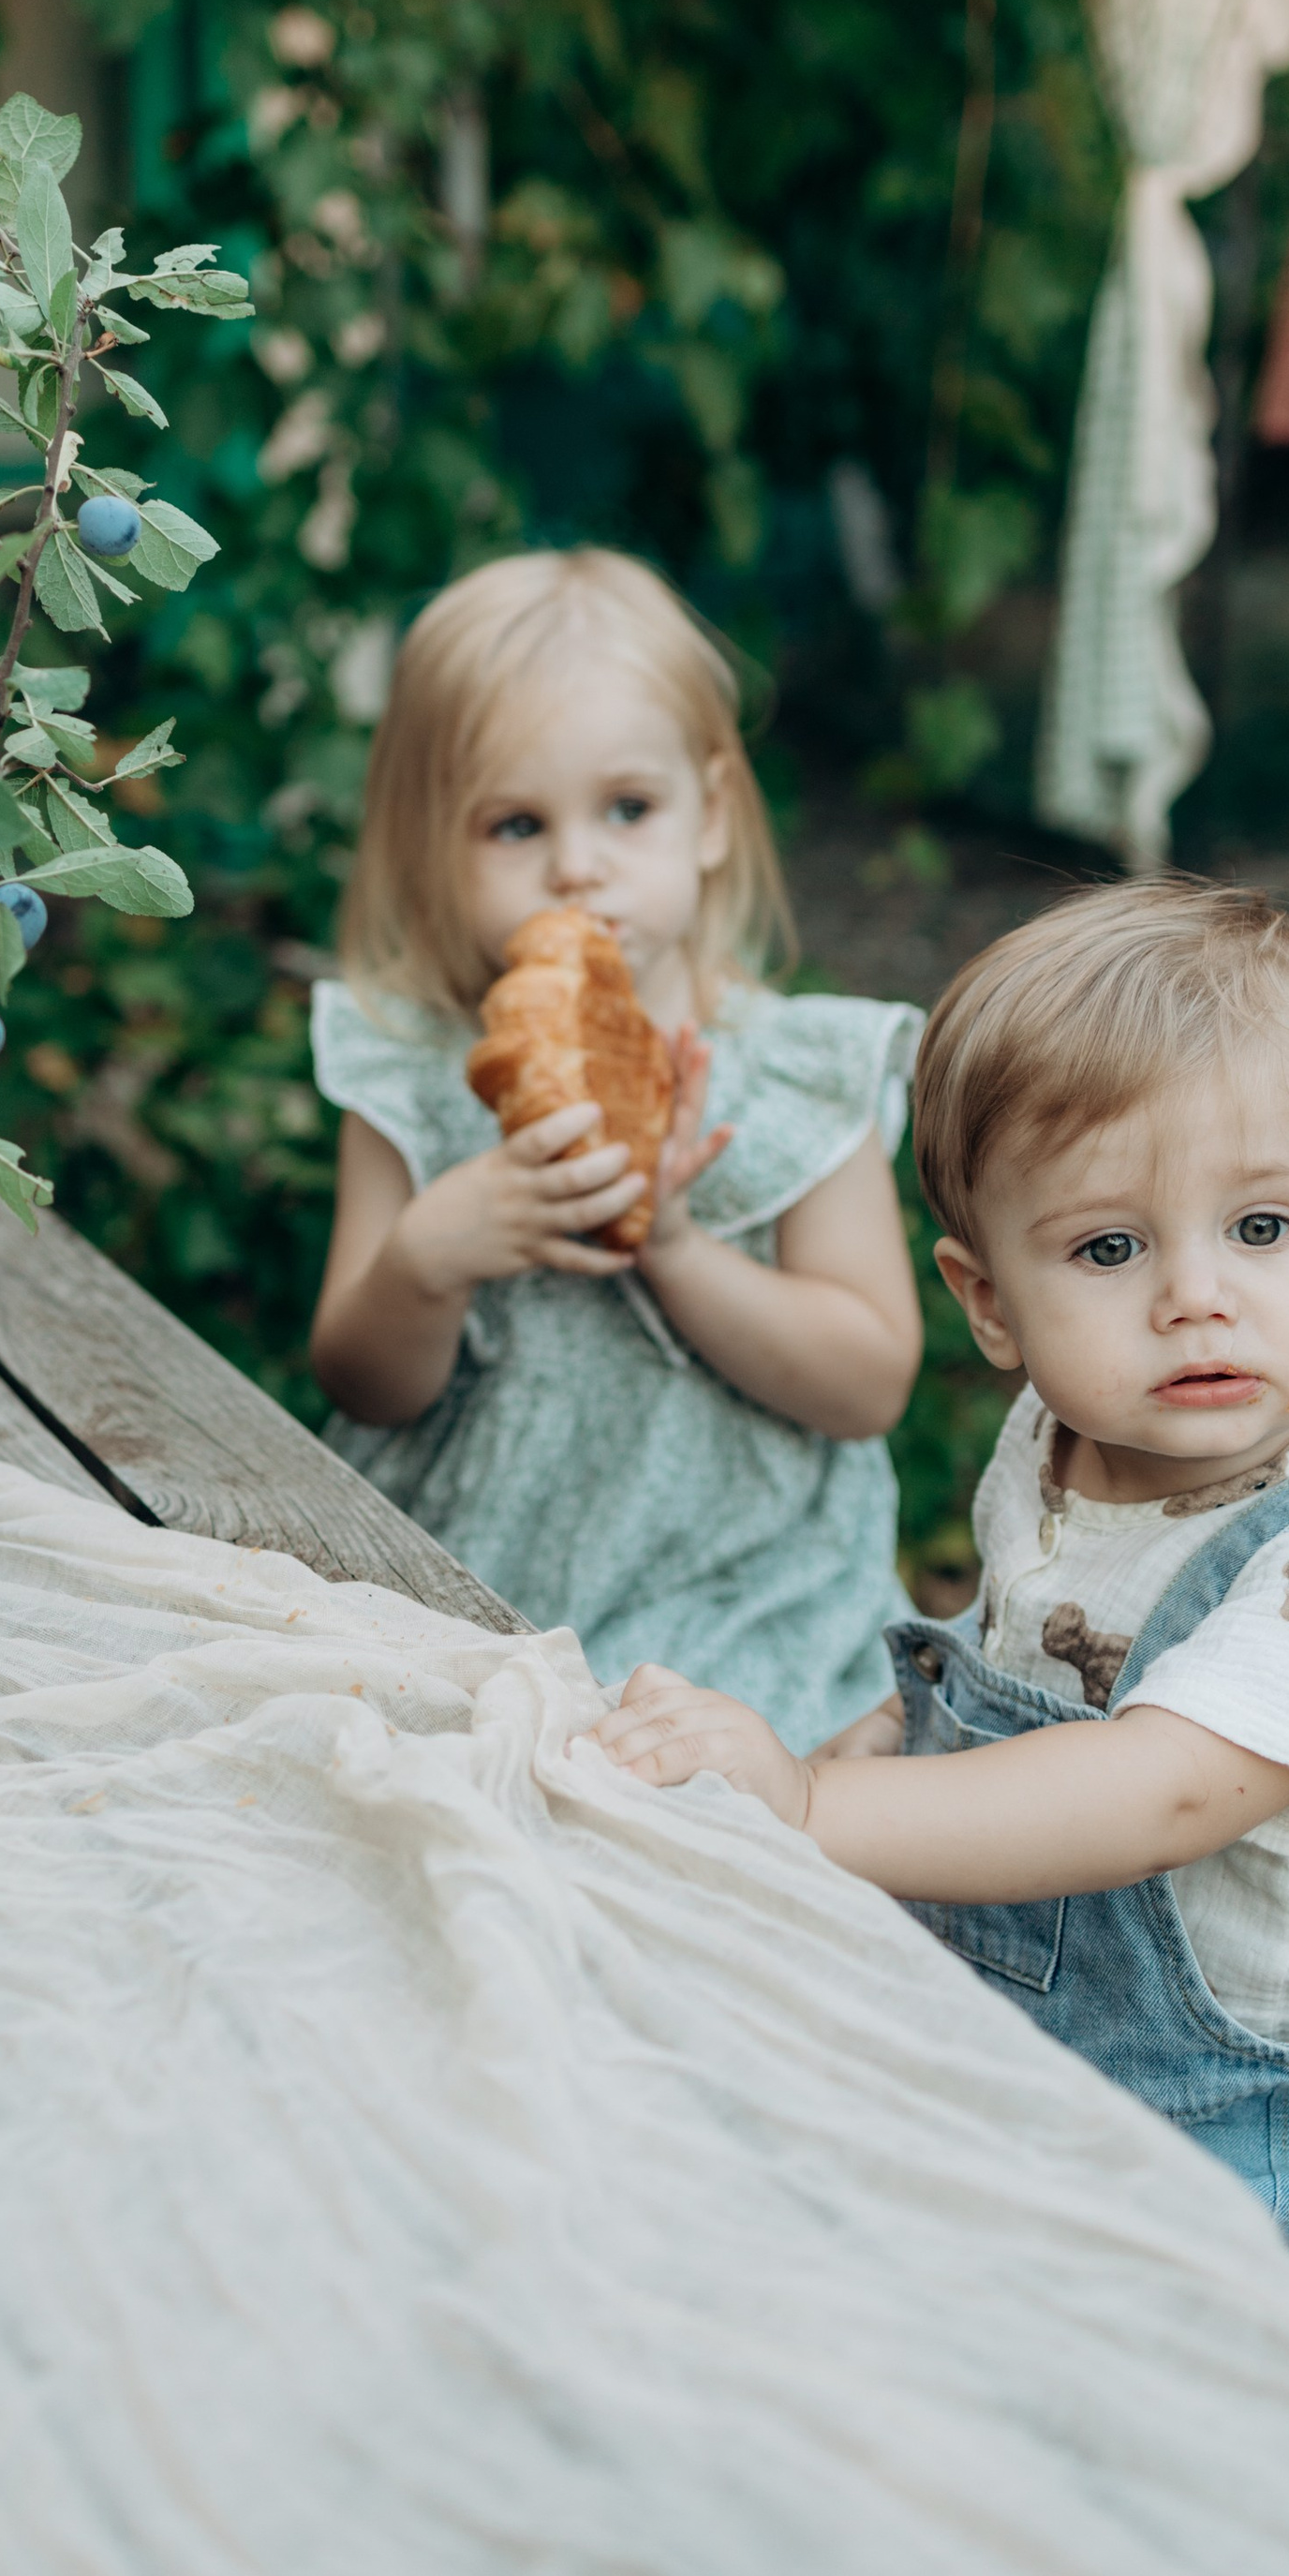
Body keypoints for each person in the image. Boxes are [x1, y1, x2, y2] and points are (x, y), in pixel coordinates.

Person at [600, 880, 1289, 2302]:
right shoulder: (1063, 1439)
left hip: (1245, 2169)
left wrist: (814, 1803)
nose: (1195, 1296)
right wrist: (870, 1746)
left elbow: (1153, 1790)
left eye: (1265, 1229)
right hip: (1031, 2076)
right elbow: (1018, 1651)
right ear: (988, 1302)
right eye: (1110, 1248)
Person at [309, 548, 924, 1750]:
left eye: (627, 809)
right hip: (476, 1599)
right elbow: (359, 1382)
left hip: (749, 1606)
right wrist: (426, 1261)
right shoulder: (419, 1082)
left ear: (712, 814)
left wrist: (676, 1244)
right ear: (437, 846)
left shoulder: (799, 1079)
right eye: (516, 824)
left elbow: (866, 1382)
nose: (578, 864)